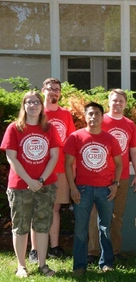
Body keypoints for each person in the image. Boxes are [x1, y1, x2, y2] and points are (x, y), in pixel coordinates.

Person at [0, 91, 62, 277]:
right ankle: (21, 266)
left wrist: (41, 180)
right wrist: (29, 181)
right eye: (29, 102)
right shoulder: (14, 128)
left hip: (45, 185)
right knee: (21, 226)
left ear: (42, 106)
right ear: (24, 106)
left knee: (42, 225)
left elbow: (54, 156)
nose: (33, 105)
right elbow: (11, 158)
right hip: (20, 186)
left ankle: (42, 265)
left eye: (37, 102)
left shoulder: (49, 128)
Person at [64, 102, 123, 276]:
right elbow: (67, 164)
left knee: (105, 227)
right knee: (81, 228)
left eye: (97, 114)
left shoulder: (110, 138)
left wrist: (116, 184)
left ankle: (106, 263)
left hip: (105, 189)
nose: (93, 117)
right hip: (83, 189)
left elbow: (119, 163)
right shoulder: (75, 137)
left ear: (102, 117)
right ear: (85, 116)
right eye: (90, 114)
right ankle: (80, 265)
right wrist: (72, 187)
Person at [88, 89, 136, 262]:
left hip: (122, 176)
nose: (117, 103)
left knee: (116, 216)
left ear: (125, 104)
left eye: (121, 101)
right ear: (108, 102)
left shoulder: (129, 124)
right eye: (114, 100)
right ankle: (93, 252)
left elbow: (133, 150)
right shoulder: (100, 121)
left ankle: (114, 251)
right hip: (99, 176)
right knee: (94, 215)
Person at [28, 78, 76, 262]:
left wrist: (74, 167)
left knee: (55, 208)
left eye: (57, 89)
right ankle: (34, 250)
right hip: (39, 169)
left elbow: (71, 142)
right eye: (50, 89)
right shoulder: (38, 113)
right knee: (38, 209)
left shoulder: (66, 114)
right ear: (43, 90)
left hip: (61, 169)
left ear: (60, 93)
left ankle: (54, 247)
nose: (54, 92)